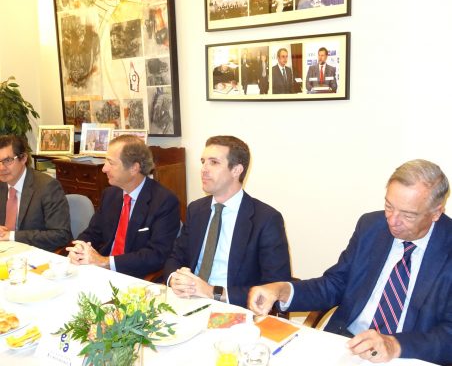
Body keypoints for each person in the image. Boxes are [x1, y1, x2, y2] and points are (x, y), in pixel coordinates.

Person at [248, 159, 452, 366]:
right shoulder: (371, 226)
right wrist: (283, 290)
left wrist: (394, 344)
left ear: (436, 212)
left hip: (408, 356)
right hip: (347, 344)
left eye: (408, 215)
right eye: (389, 206)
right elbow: (335, 284)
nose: (392, 220)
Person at [163, 135, 291, 307]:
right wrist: (174, 279)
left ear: (236, 170)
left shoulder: (266, 219)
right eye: (203, 162)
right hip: (188, 300)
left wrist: (212, 292)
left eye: (214, 162)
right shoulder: (196, 209)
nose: (203, 169)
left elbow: (275, 287)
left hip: (233, 308)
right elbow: (175, 257)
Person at [66, 135, 180, 278]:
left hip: (134, 277)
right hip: (100, 271)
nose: (104, 169)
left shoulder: (164, 201)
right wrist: (79, 248)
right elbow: (92, 233)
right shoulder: (110, 194)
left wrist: (105, 262)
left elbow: (157, 255)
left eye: (111, 163)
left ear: (134, 168)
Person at [0, 135, 71, 252]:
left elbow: (61, 235)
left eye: (7, 161)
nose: (1, 168)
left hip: (35, 254)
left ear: (23, 158)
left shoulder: (47, 187)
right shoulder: (1, 183)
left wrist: (11, 236)